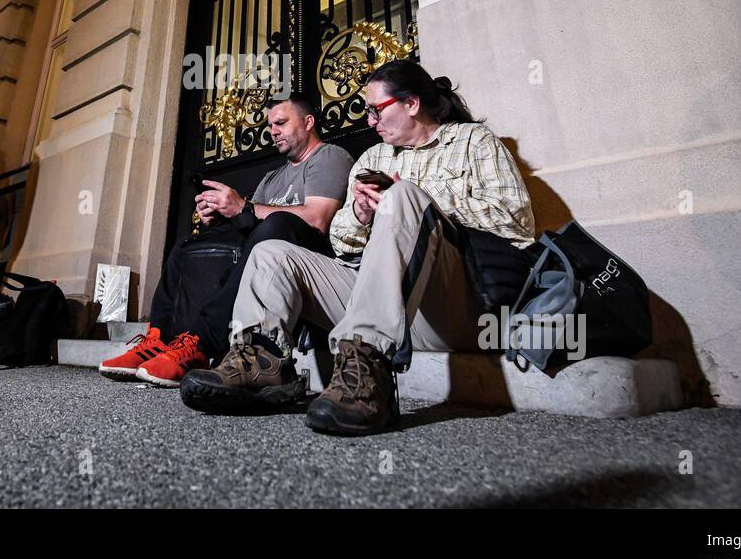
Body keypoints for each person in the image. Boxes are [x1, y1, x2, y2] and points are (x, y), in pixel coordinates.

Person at [180, 60, 536, 436]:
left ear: (411, 103)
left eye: (375, 110)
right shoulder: (373, 158)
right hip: (382, 303)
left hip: (452, 309)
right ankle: (262, 363)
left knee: (403, 196)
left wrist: (416, 199)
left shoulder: (472, 142)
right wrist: (364, 215)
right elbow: (339, 241)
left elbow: (516, 222)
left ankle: (367, 366)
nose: (369, 121)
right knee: (273, 251)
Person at [100, 93, 352, 386]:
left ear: (308, 122)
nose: (273, 131)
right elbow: (248, 223)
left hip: (306, 260)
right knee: (189, 245)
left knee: (277, 224)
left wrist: (242, 207)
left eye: (281, 122)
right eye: (270, 125)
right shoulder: (272, 177)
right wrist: (220, 217)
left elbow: (317, 219)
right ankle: (160, 340)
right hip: (265, 251)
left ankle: (202, 343)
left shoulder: (329, 156)